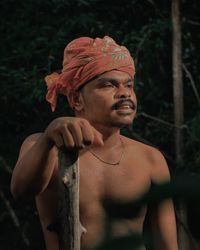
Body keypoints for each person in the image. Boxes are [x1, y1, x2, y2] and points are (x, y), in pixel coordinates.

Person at [10, 36, 179, 250]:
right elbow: (21, 191)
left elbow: (168, 245)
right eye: (109, 85)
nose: (125, 93)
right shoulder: (43, 146)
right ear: (76, 99)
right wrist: (48, 138)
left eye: (129, 84)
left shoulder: (150, 159)